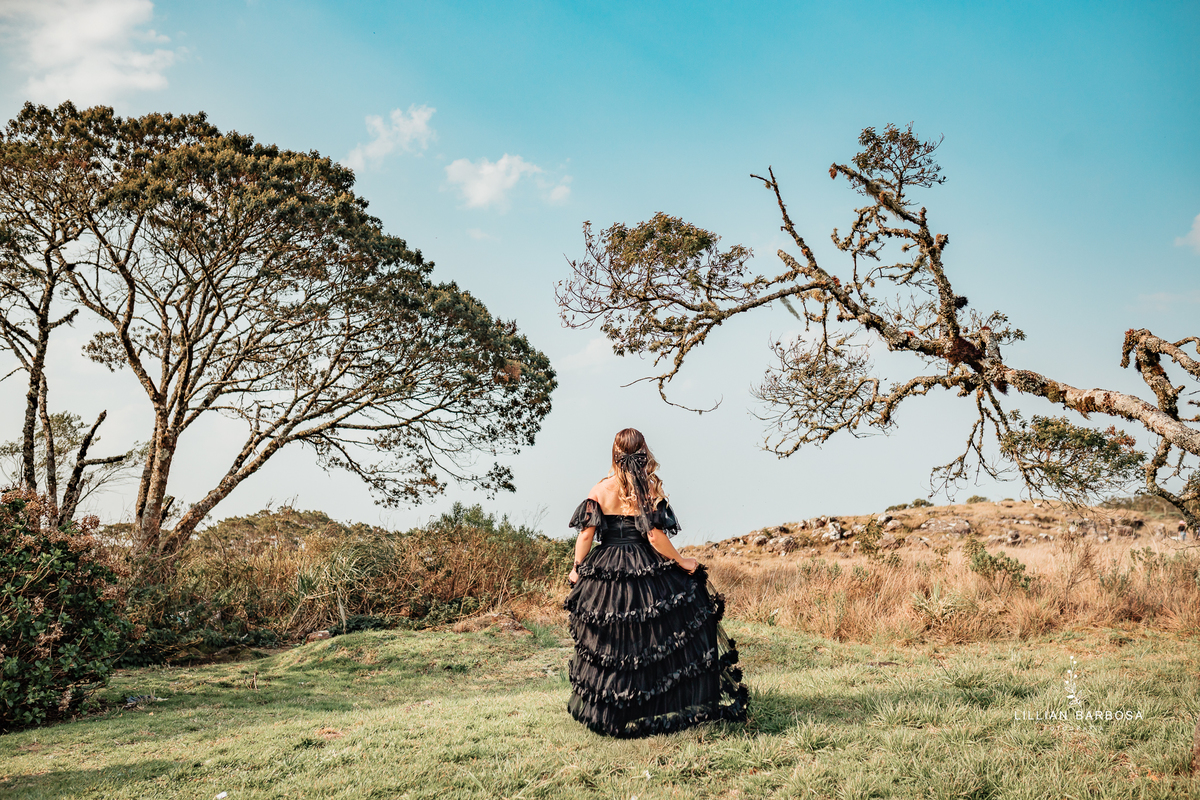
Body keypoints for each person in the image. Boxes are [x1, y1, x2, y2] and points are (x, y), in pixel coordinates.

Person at [563, 428, 749, 737]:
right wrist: (680, 561)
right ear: (644, 452)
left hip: (607, 570)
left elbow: (586, 534)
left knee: (615, 643)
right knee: (659, 636)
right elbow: (654, 536)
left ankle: (617, 714)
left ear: (614, 453)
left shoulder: (599, 489)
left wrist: (577, 567)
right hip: (644, 564)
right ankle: (662, 703)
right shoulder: (647, 489)